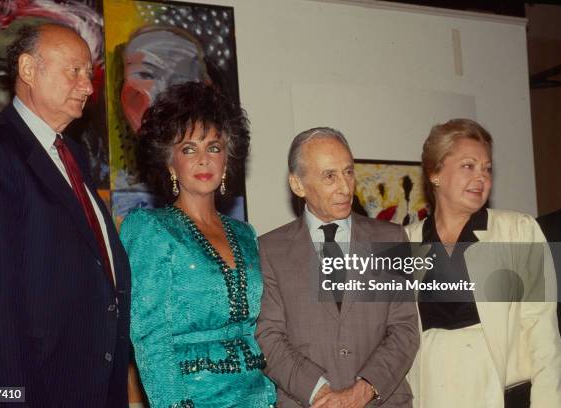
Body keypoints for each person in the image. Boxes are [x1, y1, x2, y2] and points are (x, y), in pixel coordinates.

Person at [0, 24, 131, 407]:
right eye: (75, 71)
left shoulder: (73, 156)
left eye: (90, 74)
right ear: (29, 70)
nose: (88, 87)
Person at [120, 81, 276, 407]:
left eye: (214, 148)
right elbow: (150, 339)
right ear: (168, 161)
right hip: (192, 399)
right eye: (189, 149)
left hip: (259, 397)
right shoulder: (149, 229)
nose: (204, 160)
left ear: (227, 159)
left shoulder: (246, 234)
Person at [256, 127, 419, 408]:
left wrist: (362, 391)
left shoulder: (390, 239)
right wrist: (320, 394)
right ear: (298, 185)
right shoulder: (269, 250)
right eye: (330, 176)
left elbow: (404, 330)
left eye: (348, 172)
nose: (345, 187)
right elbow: (268, 337)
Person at [404, 118, 561, 408]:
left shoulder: (517, 230)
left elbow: (543, 332)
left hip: (502, 393)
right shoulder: (406, 241)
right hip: (433, 394)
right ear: (435, 173)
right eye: (469, 166)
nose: (482, 178)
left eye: (487, 168)